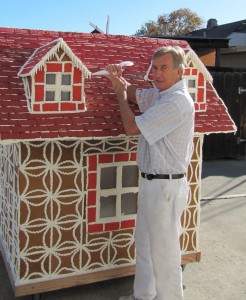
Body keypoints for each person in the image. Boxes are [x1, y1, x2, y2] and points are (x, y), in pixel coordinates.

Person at [106, 46, 195, 300]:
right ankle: (143, 295)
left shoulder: (177, 102)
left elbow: (131, 128)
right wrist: (119, 80)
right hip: (151, 183)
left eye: (163, 68)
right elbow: (136, 94)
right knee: (145, 246)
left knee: (165, 255)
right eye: (154, 68)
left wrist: (120, 95)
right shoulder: (161, 94)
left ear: (179, 72)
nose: (156, 74)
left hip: (165, 188)